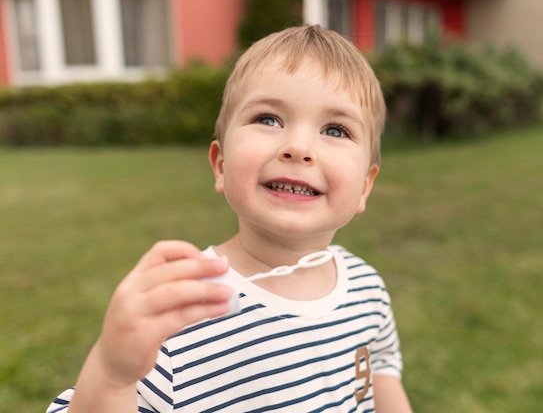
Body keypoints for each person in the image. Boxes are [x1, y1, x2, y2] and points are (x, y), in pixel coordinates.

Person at [47, 24, 412, 412]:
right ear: (220, 164)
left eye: (335, 129)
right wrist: (111, 375)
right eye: (269, 119)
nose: (299, 147)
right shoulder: (184, 310)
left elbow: (383, 369)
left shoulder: (366, 289)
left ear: (364, 188)